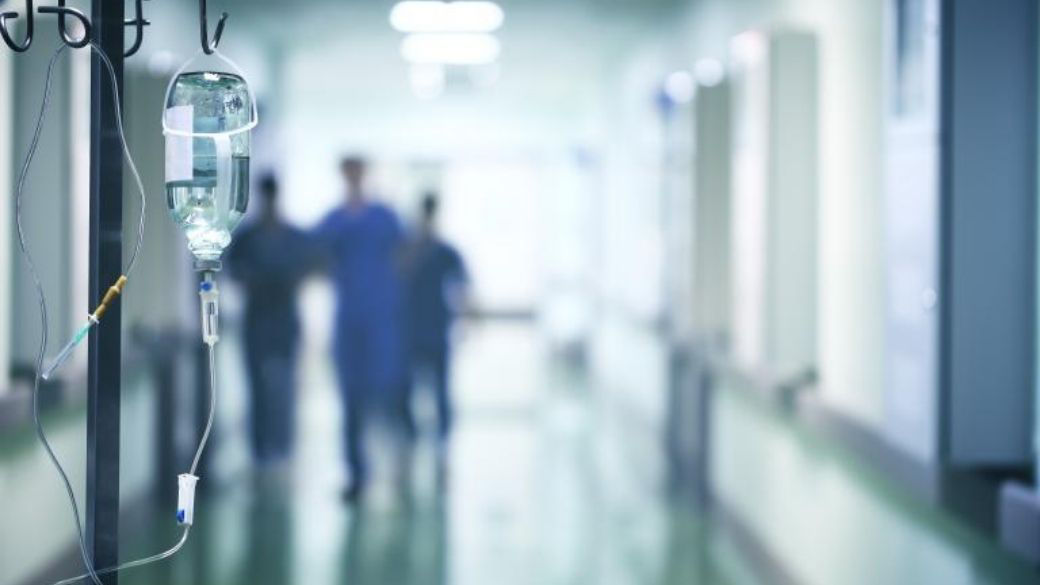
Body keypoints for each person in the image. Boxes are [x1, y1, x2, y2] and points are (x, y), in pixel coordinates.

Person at [313, 156, 406, 502]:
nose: (353, 177)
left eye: (357, 170)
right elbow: (313, 256)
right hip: (349, 325)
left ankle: (398, 471)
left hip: (382, 324)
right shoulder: (333, 221)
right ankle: (357, 475)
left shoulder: (385, 217)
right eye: (347, 171)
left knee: (387, 398)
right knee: (351, 403)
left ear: (365, 173)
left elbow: (405, 256)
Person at [226, 173, 313, 467]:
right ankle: (261, 450)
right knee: (258, 390)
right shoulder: (248, 238)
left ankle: (282, 448)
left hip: (285, 321)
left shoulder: (294, 237)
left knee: (285, 389)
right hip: (257, 321)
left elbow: (310, 267)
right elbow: (233, 271)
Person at [400, 192, 469, 459]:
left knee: (440, 390)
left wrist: (465, 320)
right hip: (412, 331)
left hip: (437, 330)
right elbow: (397, 277)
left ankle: (441, 440)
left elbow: (462, 286)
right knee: (407, 389)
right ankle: (412, 436)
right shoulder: (409, 250)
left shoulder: (445, 251)